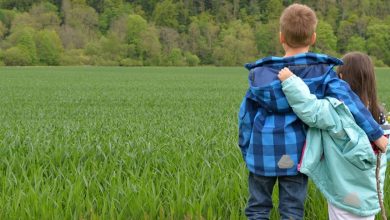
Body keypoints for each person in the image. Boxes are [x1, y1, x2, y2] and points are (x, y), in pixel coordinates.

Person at [238, 3, 388, 219]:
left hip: (262, 152)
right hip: (298, 154)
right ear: (313, 37)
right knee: (292, 209)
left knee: (258, 208)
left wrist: (246, 148)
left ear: (281, 37)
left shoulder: (261, 75)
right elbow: (350, 103)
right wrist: (375, 134)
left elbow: (245, 117)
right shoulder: (322, 73)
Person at [277, 52, 388, 219]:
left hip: (344, 194)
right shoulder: (379, 115)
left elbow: (310, 108)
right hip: (369, 196)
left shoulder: (337, 110)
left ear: (341, 78)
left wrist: (290, 80)